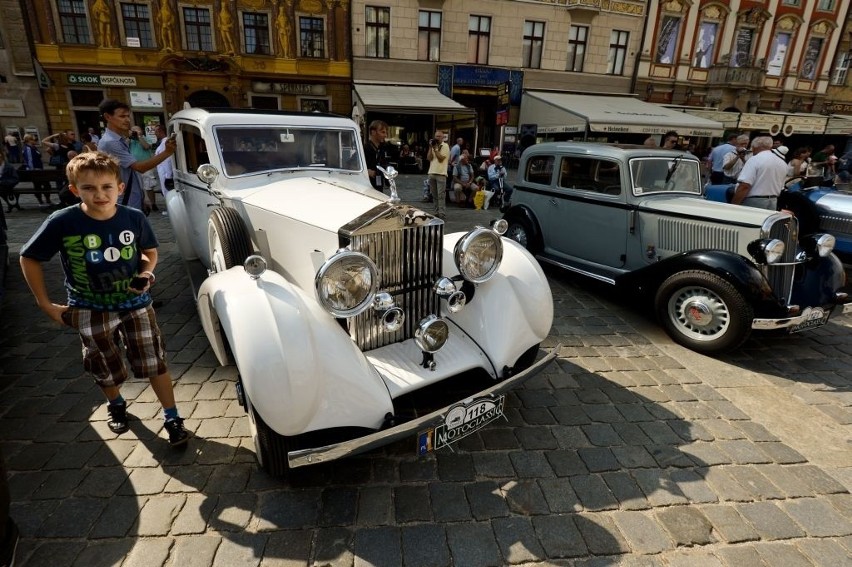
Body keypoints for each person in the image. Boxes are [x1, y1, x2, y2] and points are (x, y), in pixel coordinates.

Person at [18, 152, 191, 446]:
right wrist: (44, 303)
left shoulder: (133, 218)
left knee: (154, 360)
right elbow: (29, 257)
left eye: (107, 187)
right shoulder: (63, 221)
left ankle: (172, 415)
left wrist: (147, 272)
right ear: (75, 190)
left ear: (119, 187)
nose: (99, 194)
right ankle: (117, 404)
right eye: (88, 188)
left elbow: (150, 251)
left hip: (135, 306)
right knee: (103, 364)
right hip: (89, 308)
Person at [97, 98, 176, 213]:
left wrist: (140, 198)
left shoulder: (119, 139)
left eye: (128, 116)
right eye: (122, 116)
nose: (127, 120)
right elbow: (140, 167)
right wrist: (167, 152)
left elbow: (129, 173)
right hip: (123, 202)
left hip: (129, 198)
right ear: (108, 117)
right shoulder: (110, 142)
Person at [731, 136, 787, 210]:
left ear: (754, 147)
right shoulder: (782, 163)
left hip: (754, 201)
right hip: (773, 201)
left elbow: (745, 185)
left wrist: (733, 206)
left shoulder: (754, 160)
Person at [129, 125, 159, 211]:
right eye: (133, 131)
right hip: (134, 165)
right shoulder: (130, 140)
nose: (134, 132)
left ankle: (153, 204)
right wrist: (129, 137)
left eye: (136, 130)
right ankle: (141, 203)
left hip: (146, 165)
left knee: (149, 185)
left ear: (141, 131)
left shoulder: (145, 138)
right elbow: (125, 147)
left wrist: (139, 137)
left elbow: (146, 146)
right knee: (137, 186)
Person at [21, 134, 53, 206]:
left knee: (46, 184)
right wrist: (33, 171)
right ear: (29, 140)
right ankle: (41, 201)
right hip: (35, 171)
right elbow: (30, 161)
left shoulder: (33, 147)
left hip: (39, 169)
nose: (36, 141)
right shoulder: (28, 148)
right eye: (34, 139)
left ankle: (47, 200)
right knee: (38, 185)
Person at [426, 130, 449, 219]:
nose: (437, 138)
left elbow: (440, 159)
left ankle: (442, 213)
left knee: (441, 195)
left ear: (443, 137)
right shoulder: (433, 146)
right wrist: (430, 147)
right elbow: (429, 158)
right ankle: (436, 212)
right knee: (434, 195)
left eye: (439, 136)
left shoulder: (445, 146)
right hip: (431, 172)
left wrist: (435, 148)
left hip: (441, 174)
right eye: (436, 136)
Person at [364, 120, 389, 192]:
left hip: (378, 186)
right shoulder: (365, 148)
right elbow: (351, 164)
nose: (385, 135)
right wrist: (366, 171)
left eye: (386, 132)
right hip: (368, 188)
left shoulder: (381, 148)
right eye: (383, 132)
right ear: (373, 132)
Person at [154, 124, 173, 215]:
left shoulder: (165, 143)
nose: (155, 133)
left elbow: (167, 160)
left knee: (167, 191)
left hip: (165, 172)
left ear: (160, 131)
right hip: (163, 171)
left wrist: (168, 175)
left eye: (156, 131)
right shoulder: (163, 142)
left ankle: (170, 210)